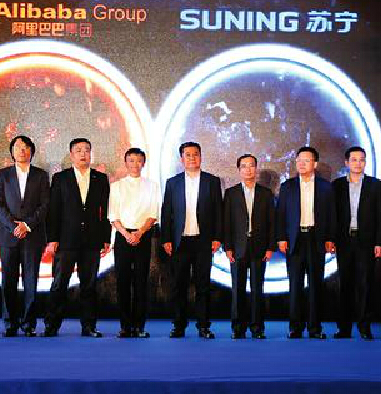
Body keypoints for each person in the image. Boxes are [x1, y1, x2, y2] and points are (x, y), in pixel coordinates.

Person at [44, 138, 111, 337]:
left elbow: (106, 210)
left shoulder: (100, 178)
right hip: (66, 240)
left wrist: (106, 237)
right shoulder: (60, 178)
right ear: (71, 155)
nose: (83, 154)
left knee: (89, 285)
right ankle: (51, 325)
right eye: (79, 150)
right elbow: (53, 210)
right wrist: (53, 238)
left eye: (87, 150)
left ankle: (89, 326)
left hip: (92, 240)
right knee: (59, 284)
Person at [160, 142, 222, 339]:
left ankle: (203, 326)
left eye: (195, 154)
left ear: (200, 157)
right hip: (180, 242)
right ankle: (179, 325)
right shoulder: (173, 183)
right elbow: (166, 212)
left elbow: (218, 211)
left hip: (204, 241)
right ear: (182, 159)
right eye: (188, 155)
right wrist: (166, 239)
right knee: (179, 285)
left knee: (203, 286)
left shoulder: (212, 181)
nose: (192, 158)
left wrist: (217, 237)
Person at [275, 146, 336, 339]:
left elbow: (332, 215)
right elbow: (280, 215)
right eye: (299, 160)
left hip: (316, 240)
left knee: (316, 286)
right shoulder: (287, 186)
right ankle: (295, 327)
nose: (301, 163)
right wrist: (281, 238)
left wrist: (330, 238)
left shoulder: (326, 187)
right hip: (295, 240)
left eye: (306, 160)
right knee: (295, 286)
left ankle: (315, 328)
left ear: (315, 164)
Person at [0, 135, 50, 337]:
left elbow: (45, 205)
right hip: (8, 236)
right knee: (8, 281)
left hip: (33, 236)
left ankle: (28, 324)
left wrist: (27, 225)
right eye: (17, 147)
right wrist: (13, 226)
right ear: (12, 152)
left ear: (31, 151)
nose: (22, 151)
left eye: (25, 147)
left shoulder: (41, 175)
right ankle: (10, 324)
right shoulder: (2, 175)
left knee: (30, 281)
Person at [332, 146, 381, 340]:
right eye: (354, 159)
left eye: (361, 159)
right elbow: (332, 215)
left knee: (365, 284)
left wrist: (379, 242)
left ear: (365, 162)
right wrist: (331, 239)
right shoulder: (337, 185)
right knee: (345, 285)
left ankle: (364, 327)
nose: (358, 163)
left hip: (367, 241)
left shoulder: (375, 185)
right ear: (346, 162)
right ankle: (343, 328)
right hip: (344, 241)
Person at [221, 154, 275, 339]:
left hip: (260, 247)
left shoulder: (266, 193)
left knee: (257, 289)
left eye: (251, 165)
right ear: (239, 170)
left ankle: (257, 328)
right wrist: (228, 247)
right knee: (238, 289)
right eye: (244, 166)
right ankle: (238, 328)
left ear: (256, 168)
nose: (248, 169)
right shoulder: (231, 193)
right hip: (237, 248)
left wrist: (270, 247)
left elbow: (272, 222)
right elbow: (226, 223)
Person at [108, 148, 160, 338]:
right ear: (125, 163)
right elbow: (113, 215)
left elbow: (153, 214)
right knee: (122, 281)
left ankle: (139, 326)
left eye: (139, 160)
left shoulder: (152, 186)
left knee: (140, 282)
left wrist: (139, 233)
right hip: (122, 237)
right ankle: (125, 326)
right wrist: (125, 233)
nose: (135, 164)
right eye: (131, 160)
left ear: (143, 163)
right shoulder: (116, 186)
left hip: (143, 236)